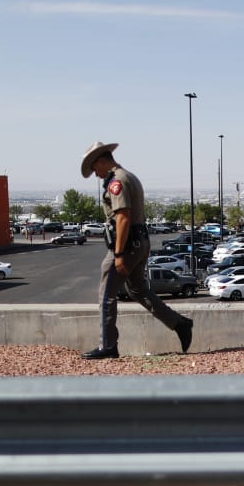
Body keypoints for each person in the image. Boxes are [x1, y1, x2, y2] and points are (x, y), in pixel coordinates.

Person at [79, 141, 193, 360]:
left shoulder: (117, 181)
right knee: (137, 290)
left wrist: (119, 254)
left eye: (95, 168)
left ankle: (108, 346)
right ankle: (179, 323)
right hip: (140, 241)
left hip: (127, 245)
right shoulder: (128, 176)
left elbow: (122, 217)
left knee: (106, 295)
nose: (95, 174)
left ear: (102, 161)